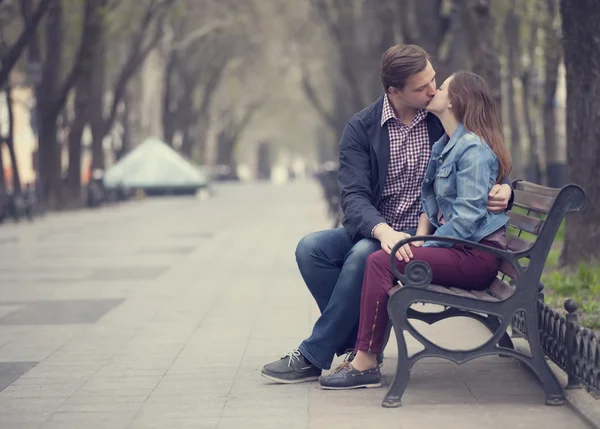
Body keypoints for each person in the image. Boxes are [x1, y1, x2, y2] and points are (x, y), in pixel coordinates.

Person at [261, 45, 512, 384]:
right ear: (394, 91)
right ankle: (355, 343)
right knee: (311, 248)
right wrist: (383, 231)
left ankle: (316, 354)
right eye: (421, 87)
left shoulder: (440, 120)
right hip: (380, 230)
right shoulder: (361, 128)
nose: (433, 90)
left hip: (429, 236)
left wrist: (508, 191)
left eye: (434, 80)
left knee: (365, 257)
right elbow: (353, 197)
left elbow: (482, 156)